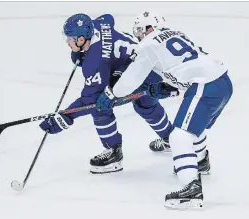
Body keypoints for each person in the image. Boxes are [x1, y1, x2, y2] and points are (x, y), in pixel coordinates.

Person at [96, 11, 233, 209]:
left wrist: (112, 94)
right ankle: (200, 162)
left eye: (140, 30)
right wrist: (170, 87)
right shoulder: (176, 34)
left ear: (149, 28)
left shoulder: (148, 45)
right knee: (194, 127)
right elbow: (186, 65)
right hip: (222, 81)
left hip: (206, 85)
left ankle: (191, 189)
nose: (138, 36)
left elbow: (131, 79)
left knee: (179, 136)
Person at [39, 13, 174, 174]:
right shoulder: (97, 25)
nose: (67, 41)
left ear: (81, 39)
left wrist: (65, 116)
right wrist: (80, 53)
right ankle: (171, 139)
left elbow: (90, 100)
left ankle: (113, 153)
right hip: (152, 65)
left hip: (140, 73)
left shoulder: (94, 61)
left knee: (100, 105)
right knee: (145, 104)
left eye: (70, 38)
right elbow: (108, 17)